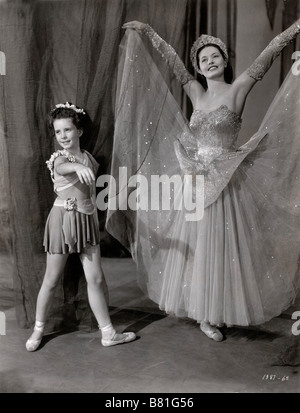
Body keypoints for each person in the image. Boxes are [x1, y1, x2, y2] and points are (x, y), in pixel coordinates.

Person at [106, 19, 300, 342]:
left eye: (215, 56)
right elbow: (174, 64)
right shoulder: (196, 92)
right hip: (195, 181)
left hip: (226, 181)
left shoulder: (238, 88)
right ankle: (205, 316)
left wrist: (295, 28)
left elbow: (269, 53)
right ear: (199, 67)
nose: (209, 62)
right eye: (203, 59)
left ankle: (218, 308)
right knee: (198, 248)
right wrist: (148, 33)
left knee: (224, 249)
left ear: (225, 60)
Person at [26, 102, 136, 351]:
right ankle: (38, 329)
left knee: (95, 279)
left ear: (79, 131)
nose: (63, 136)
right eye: (58, 132)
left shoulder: (89, 159)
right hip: (62, 221)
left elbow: (93, 190)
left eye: (67, 130)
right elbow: (63, 167)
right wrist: (76, 166)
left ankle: (108, 333)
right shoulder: (59, 159)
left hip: (85, 221)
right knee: (51, 280)